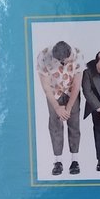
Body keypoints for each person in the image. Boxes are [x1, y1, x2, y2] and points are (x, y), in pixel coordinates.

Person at [36, 41, 84, 176]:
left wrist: (68, 108)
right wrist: (57, 107)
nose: (65, 63)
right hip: (54, 93)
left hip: (71, 93)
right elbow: (46, 87)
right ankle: (58, 162)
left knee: (74, 125)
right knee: (55, 126)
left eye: (68, 61)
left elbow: (77, 86)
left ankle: (75, 160)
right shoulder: (43, 56)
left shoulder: (78, 54)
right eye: (63, 62)